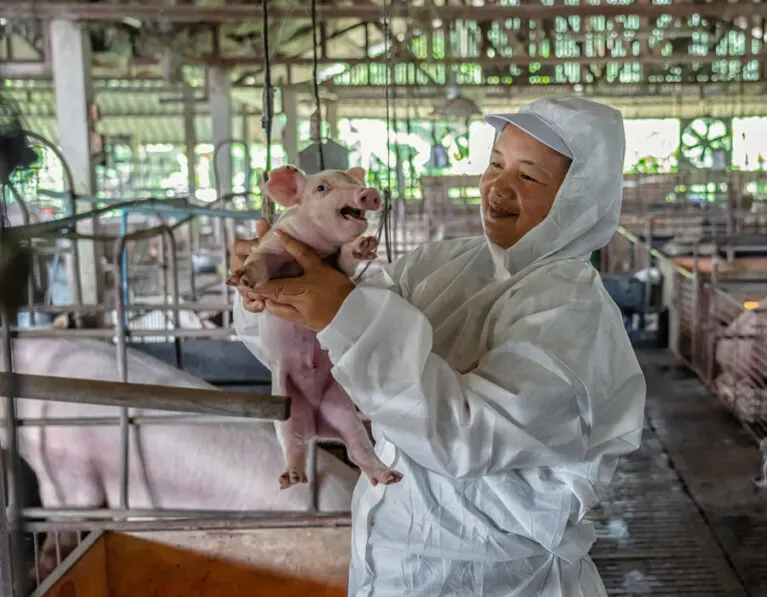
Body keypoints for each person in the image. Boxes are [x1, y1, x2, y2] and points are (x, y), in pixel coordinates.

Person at [230, 97, 647, 597]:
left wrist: (343, 310)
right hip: (389, 564)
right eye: (496, 164)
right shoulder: (441, 265)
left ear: (577, 199)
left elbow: (464, 435)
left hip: (494, 580)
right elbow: (315, 359)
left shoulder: (572, 314)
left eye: (529, 177)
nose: (499, 186)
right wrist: (273, 281)